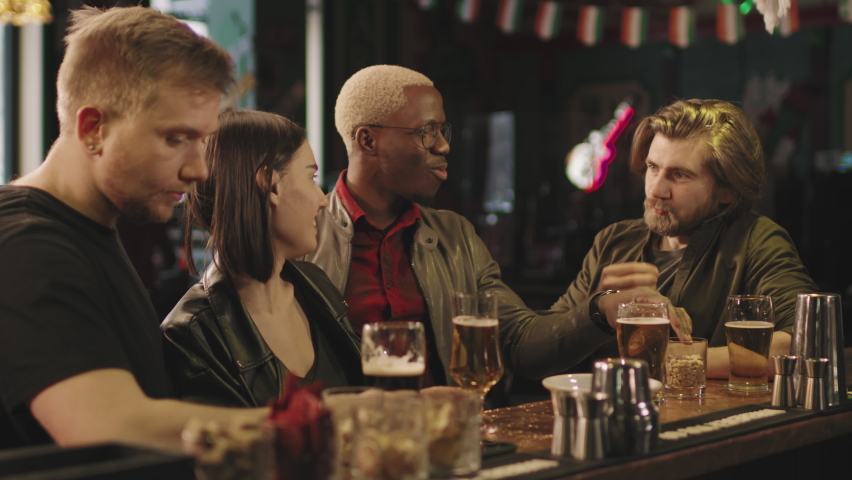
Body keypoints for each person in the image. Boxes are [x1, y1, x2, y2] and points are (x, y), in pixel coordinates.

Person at [303, 65, 689, 385]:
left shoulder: (455, 236)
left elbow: (519, 342)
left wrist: (602, 310)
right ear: (368, 141)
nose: (443, 146)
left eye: (443, 131)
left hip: (446, 445)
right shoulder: (302, 234)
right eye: (426, 132)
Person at [0, 6, 267, 451]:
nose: (200, 169)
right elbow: (108, 424)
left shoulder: (93, 228)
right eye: (174, 139)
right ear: (93, 128)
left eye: (202, 141)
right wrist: (321, 422)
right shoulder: (27, 248)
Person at [550, 99, 817, 377]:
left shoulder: (758, 241)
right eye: (653, 167)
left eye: (679, 175)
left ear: (727, 190)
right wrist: (594, 311)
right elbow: (543, 345)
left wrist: (668, 357)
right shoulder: (614, 241)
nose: (656, 190)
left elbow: (803, 341)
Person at [161, 110, 363, 408]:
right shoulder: (190, 334)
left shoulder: (314, 283)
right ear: (271, 185)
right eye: (312, 177)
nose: (323, 199)